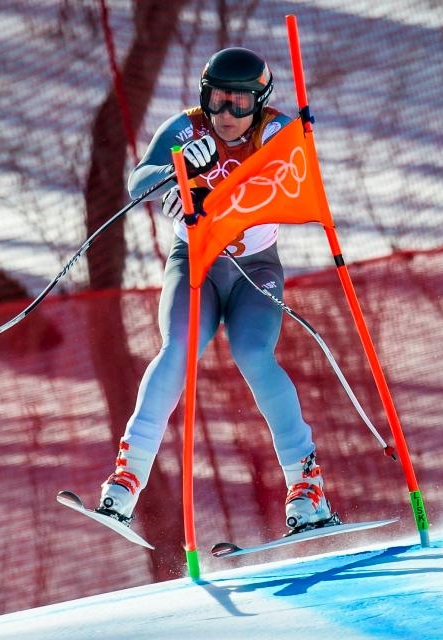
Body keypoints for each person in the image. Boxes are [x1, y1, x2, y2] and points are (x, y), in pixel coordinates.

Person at [97, 47, 339, 534]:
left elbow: (300, 177)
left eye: (240, 103)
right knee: (179, 348)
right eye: (218, 100)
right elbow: (137, 179)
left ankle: (306, 483)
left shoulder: (274, 131)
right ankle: (126, 479)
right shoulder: (188, 127)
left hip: (255, 267)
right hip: (195, 263)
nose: (227, 114)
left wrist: (293, 150)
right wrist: (177, 170)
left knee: (253, 353)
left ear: (259, 103)